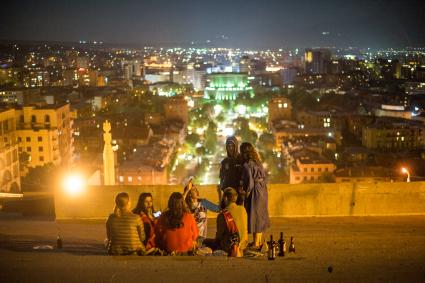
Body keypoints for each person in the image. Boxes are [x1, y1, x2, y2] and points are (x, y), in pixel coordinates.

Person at [240, 142, 270, 249]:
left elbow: (250, 183)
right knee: (261, 215)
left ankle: (256, 243)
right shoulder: (258, 162)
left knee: (255, 216)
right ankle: (258, 241)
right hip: (263, 190)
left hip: (255, 192)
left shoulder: (247, 165)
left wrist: (246, 192)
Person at [203, 187, 248, 257]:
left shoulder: (222, 215)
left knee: (205, 242)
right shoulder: (243, 209)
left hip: (229, 246)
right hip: (243, 244)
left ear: (226, 198)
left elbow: (218, 236)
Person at [183, 179, 220, 244]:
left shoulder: (203, 203)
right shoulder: (186, 206)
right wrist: (186, 190)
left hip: (201, 238)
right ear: (189, 194)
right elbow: (179, 203)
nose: (196, 191)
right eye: (193, 190)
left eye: (196, 189)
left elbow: (218, 209)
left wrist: (219, 193)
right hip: (189, 237)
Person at [219, 136, 243, 205]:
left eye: (233, 146)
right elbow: (221, 177)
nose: (231, 148)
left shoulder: (241, 159)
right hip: (227, 194)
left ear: (236, 146)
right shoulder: (224, 162)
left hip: (238, 194)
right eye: (229, 146)